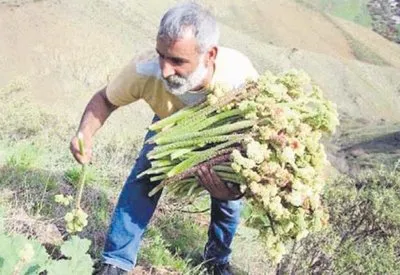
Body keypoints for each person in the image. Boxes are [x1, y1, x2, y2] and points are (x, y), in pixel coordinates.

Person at [70, 3, 259, 275]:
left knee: (227, 200)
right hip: (170, 126)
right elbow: (105, 99)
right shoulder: (145, 69)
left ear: (210, 55)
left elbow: (254, 143)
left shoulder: (240, 79)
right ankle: (117, 260)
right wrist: (85, 133)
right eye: (162, 55)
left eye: (178, 61)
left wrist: (231, 189)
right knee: (145, 177)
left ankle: (217, 259)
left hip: (225, 138)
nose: (166, 70)